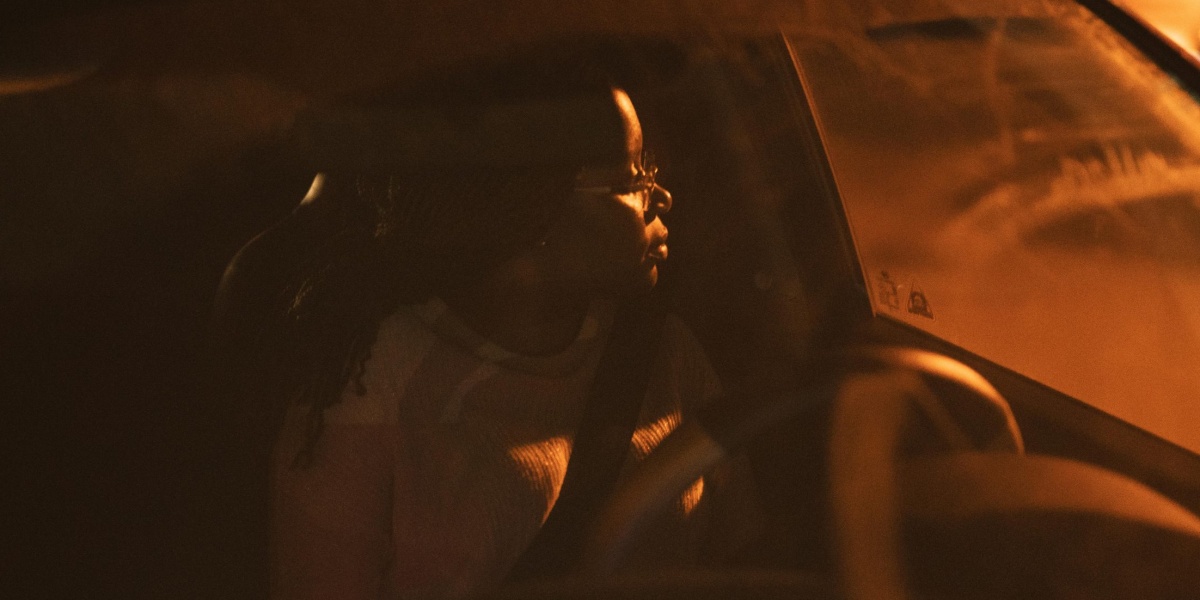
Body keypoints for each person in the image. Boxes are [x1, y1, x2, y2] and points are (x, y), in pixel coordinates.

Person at [227, 72, 749, 599]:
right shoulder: (369, 386)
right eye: (631, 179)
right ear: (533, 204)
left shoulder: (666, 353)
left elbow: (743, 560)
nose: (661, 196)